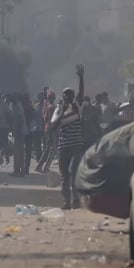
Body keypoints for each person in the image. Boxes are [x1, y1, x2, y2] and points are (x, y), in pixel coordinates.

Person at [50, 64, 85, 210]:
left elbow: (81, 93)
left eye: (70, 94)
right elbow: (52, 127)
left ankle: (76, 200)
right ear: (62, 97)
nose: (68, 96)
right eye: (66, 94)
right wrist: (62, 112)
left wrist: (81, 78)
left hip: (76, 145)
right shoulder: (58, 110)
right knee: (64, 174)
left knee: (73, 171)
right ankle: (66, 201)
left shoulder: (77, 106)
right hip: (63, 146)